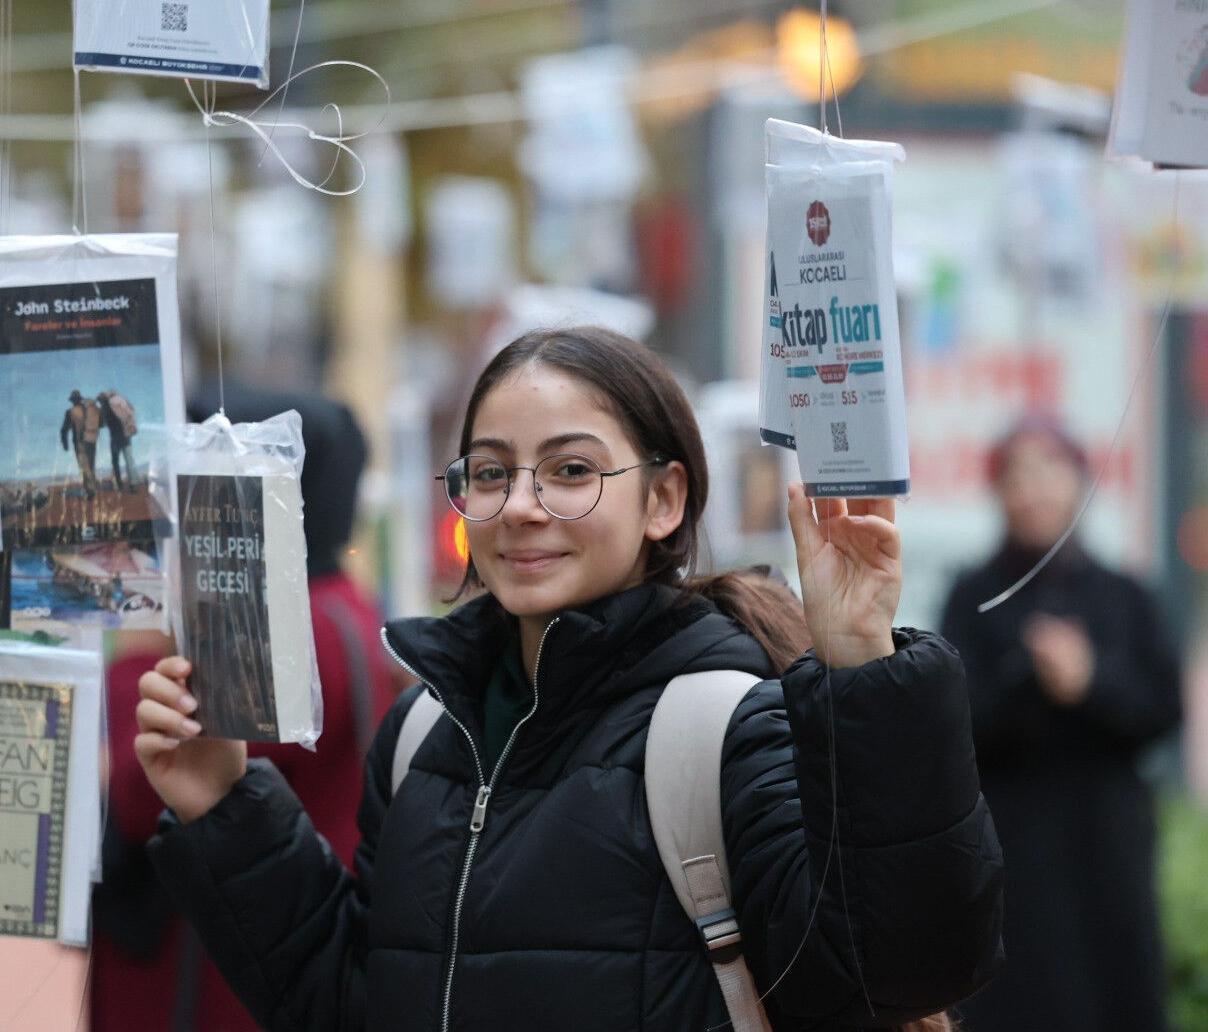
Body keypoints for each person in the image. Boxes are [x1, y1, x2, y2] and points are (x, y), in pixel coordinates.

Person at [127, 327, 1004, 1032]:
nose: (519, 505)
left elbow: (900, 968)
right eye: (490, 472)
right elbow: (357, 1001)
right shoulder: (425, 736)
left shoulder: (722, 727)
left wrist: (859, 659)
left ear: (664, 501)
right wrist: (223, 801)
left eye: (572, 470)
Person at [91, 383, 407, 1032]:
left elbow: (140, 794)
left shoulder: (284, 630)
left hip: (220, 984)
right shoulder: (340, 608)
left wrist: (135, 657)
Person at [943, 417, 1181, 1032]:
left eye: (1049, 468)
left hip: (1107, 854)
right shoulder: (973, 597)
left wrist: (1089, 684)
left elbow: (1161, 709)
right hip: (1012, 860)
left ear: (1079, 479)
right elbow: (953, 725)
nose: (1033, 488)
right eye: (1015, 472)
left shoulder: (1123, 595)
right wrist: (1031, 677)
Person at [60, 389, 101, 498]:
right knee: (91, 465)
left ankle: (90, 492)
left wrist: (65, 444)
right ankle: (92, 489)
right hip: (92, 440)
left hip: (80, 443)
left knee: (84, 467)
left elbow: (64, 429)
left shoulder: (70, 412)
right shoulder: (88, 410)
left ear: (72, 401)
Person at [97, 390, 140, 492]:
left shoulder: (105, 409)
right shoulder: (120, 403)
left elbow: (101, 424)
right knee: (129, 459)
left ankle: (119, 483)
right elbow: (131, 411)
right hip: (126, 435)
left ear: (102, 400)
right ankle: (133, 483)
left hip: (115, 438)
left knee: (115, 461)